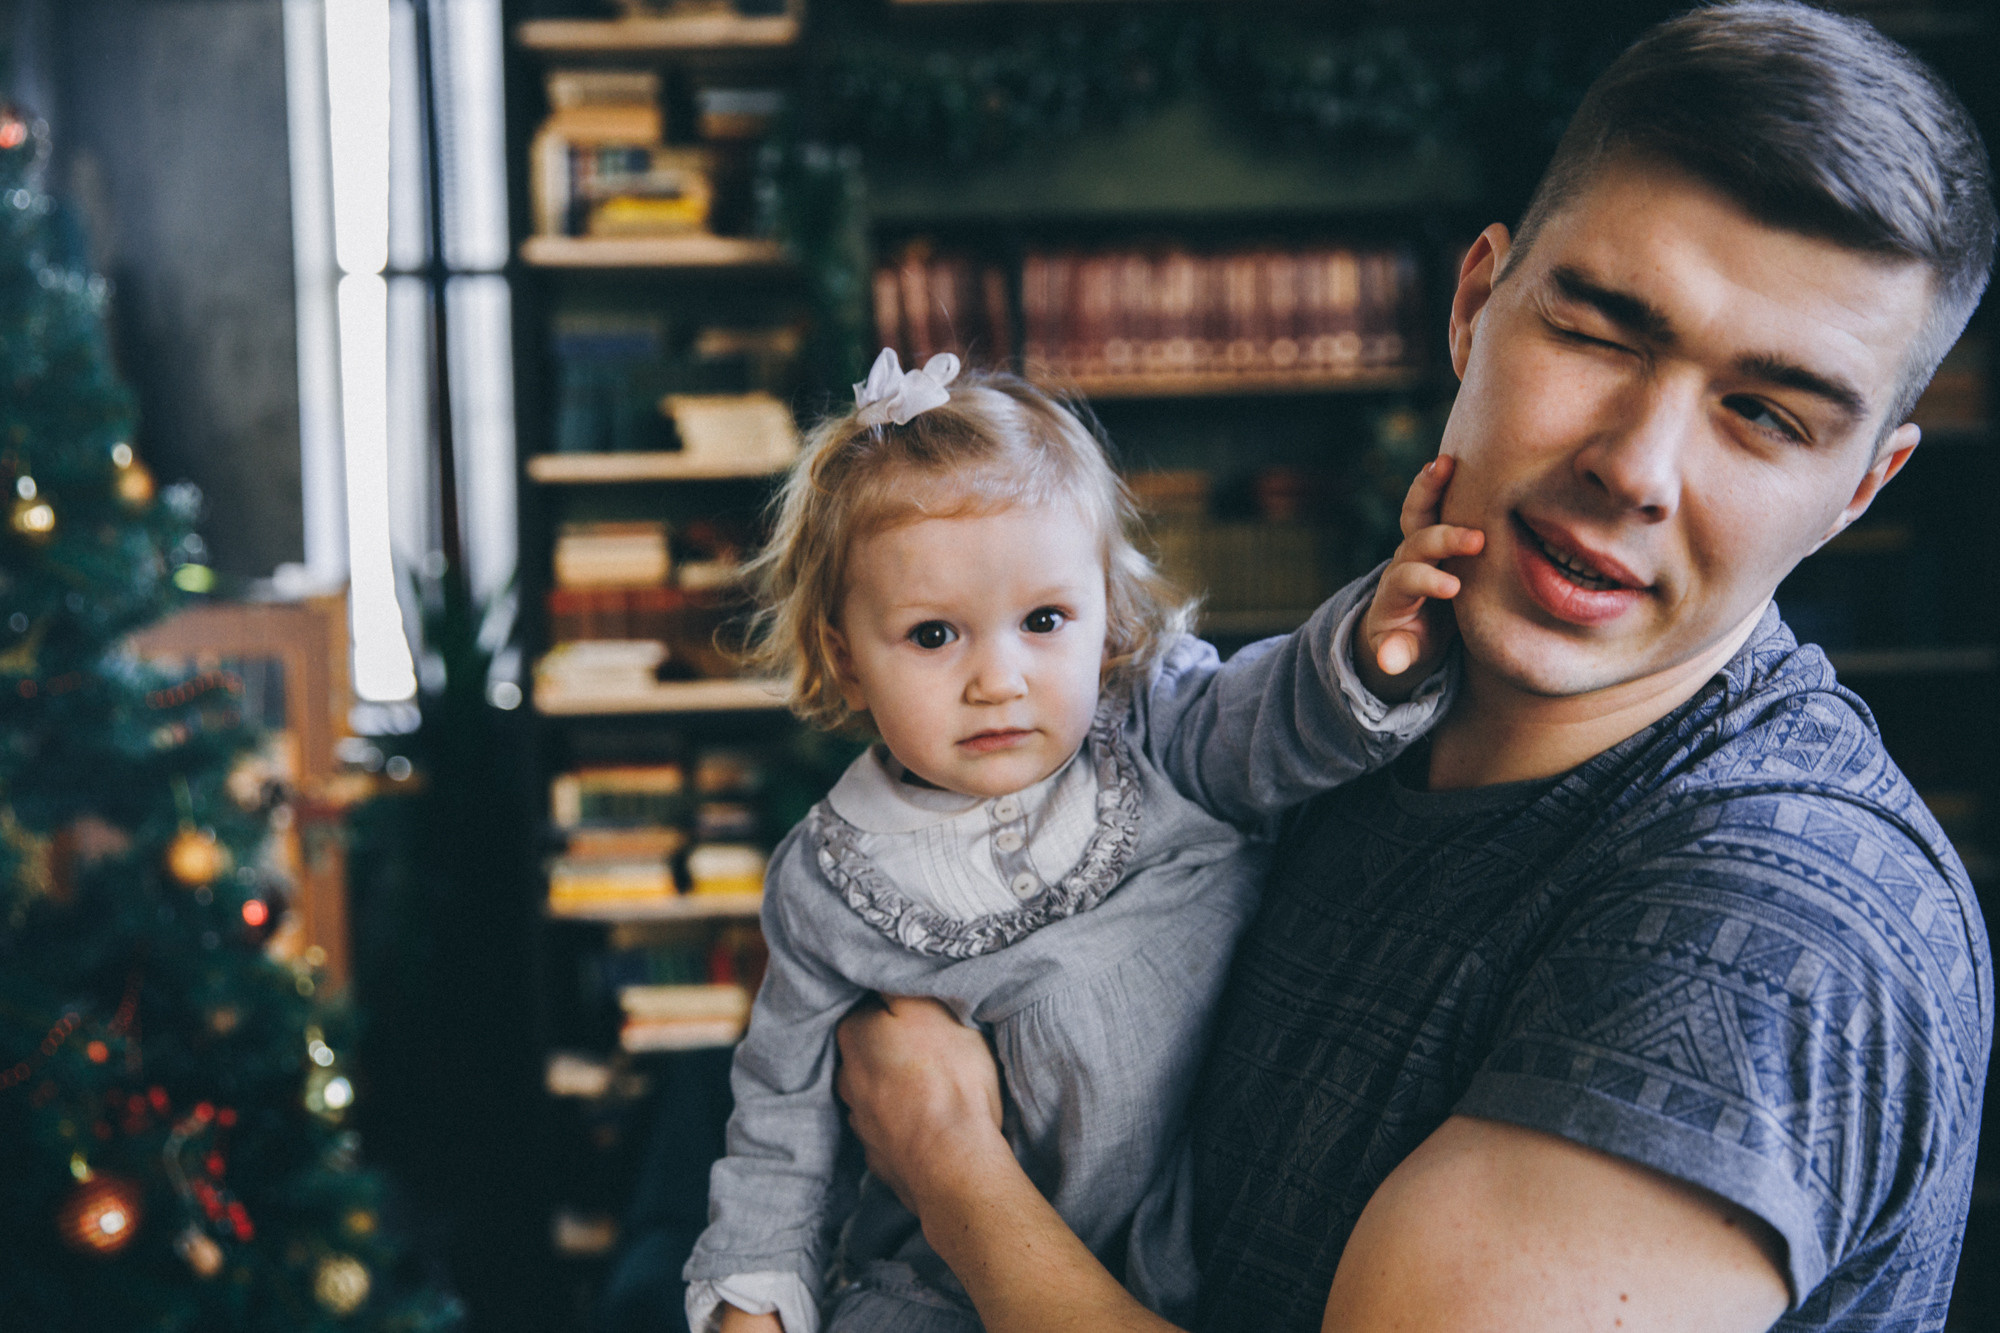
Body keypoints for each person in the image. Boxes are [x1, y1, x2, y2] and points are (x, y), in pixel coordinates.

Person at [830, 4, 1997, 1331]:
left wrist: (951, 1166)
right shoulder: (1334, 715)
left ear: (1858, 492)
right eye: (1601, 333)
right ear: (1474, 303)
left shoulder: (1776, 937)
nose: (1635, 467)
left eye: (1765, 415)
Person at [682, 349, 1484, 1333]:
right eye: (933, 635)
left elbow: (1275, 712)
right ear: (845, 659)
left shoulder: (1161, 730)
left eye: (1044, 619)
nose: (998, 680)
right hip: (937, 1284)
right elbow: (779, 1131)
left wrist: (1372, 652)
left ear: (1106, 623)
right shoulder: (827, 881)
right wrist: (752, 1305)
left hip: (1196, 1245)